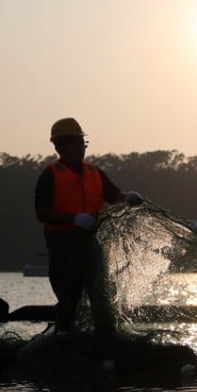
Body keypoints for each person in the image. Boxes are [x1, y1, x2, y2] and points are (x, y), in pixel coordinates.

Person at [34, 117, 125, 333]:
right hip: (63, 244)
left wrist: (126, 198)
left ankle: (105, 341)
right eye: (73, 144)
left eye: (81, 144)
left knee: (100, 294)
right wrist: (73, 219)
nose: (79, 149)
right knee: (69, 296)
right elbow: (41, 212)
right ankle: (64, 340)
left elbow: (113, 194)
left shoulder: (95, 173)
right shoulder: (50, 175)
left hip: (92, 241)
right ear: (59, 147)